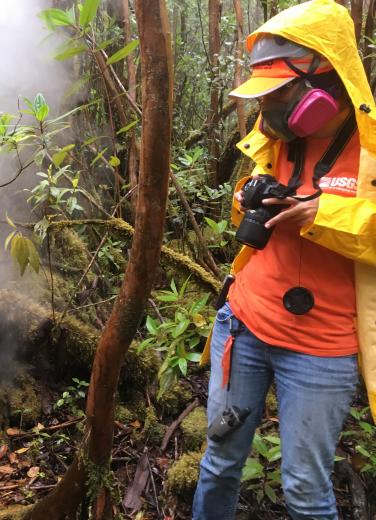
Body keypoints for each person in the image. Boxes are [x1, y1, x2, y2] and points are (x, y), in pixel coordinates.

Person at [192, 1, 376, 519]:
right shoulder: (277, 137)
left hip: (322, 350)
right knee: (220, 463)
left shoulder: (371, 147)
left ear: (324, 82)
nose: (266, 108)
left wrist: (323, 214)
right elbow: (243, 217)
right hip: (245, 326)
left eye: (278, 94)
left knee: (304, 491)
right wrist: (248, 196)